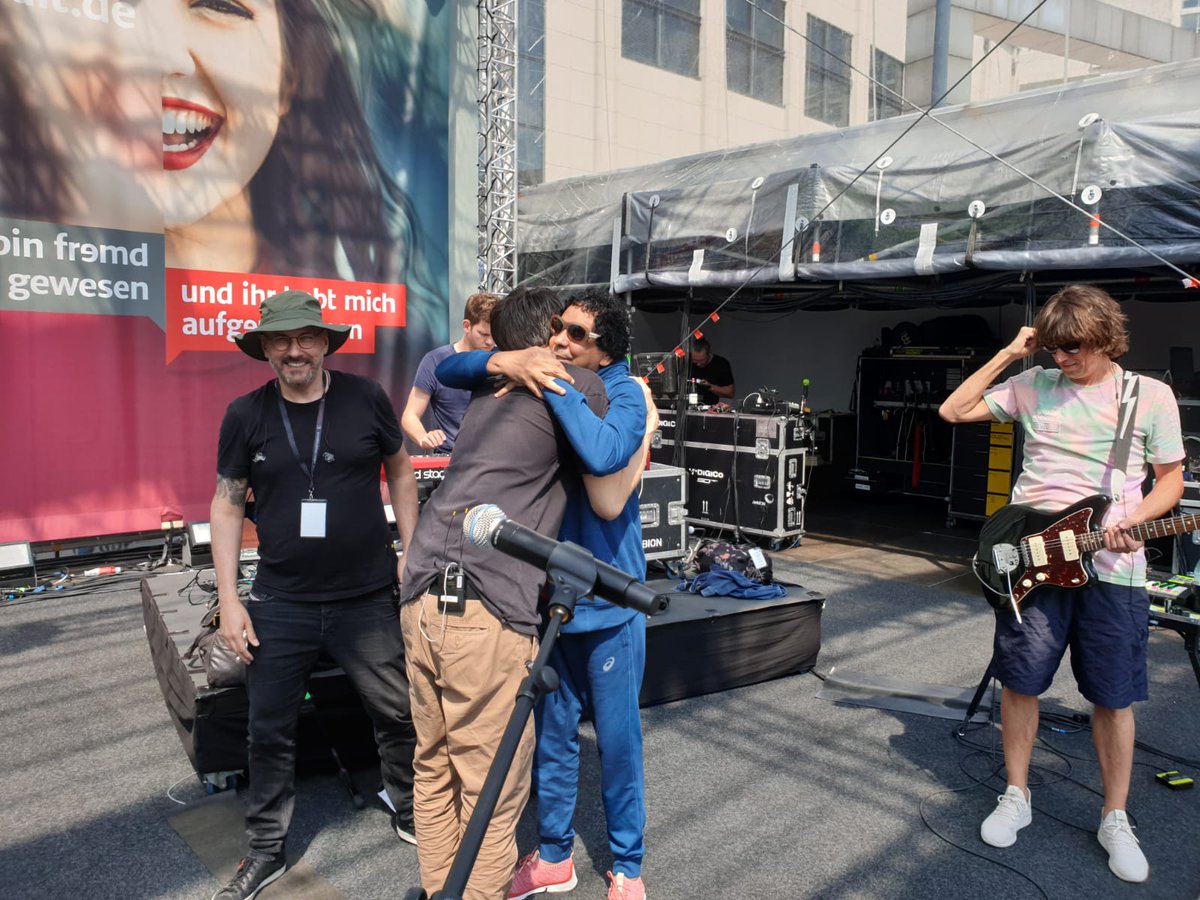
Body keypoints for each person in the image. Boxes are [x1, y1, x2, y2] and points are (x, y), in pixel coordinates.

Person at [938, 284, 1184, 884]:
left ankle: (1115, 817)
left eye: (1073, 348)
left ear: (1106, 338)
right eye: (1053, 347)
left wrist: (1136, 520)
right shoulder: (1034, 382)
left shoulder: (1148, 396)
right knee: (1021, 682)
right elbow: (954, 411)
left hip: (1112, 568)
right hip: (1031, 559)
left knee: (1113, 696)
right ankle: (1016, 793)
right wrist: (1010, 353)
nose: (1062, 358)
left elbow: (1170, 479)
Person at [436, 294, 655, 900]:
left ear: (605, 350)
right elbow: (448, 370)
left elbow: (603, 456)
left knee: (618, 744)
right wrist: (506, 361)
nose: (559, 340)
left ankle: (628, 865)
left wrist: (553, 381)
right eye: (558, 327)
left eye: (577, 334)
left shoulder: (626, 392)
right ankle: (555, 856)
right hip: (548, 597)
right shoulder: (540, 370)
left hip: (609, 602)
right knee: (552, 742)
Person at [399, 285, 612, 900]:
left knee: (434, 769)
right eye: (565, 331)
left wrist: (499, 360)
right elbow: (610, 461)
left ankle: (441, 891)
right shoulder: (572, 384)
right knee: (489, 790)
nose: (571, 342)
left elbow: (450, 366)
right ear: (546, 339)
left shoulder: (483, 384)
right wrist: (644, 413)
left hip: (421, 597)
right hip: (486, 614)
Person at [208, 290, 420, 900]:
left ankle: (411, 808)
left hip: (367, 595)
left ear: (325, 342)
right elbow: (227, 504)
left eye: (305, 338)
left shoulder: (365, 398)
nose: (294, 350)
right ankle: (266, 849)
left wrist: (410, 550)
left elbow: (400, 470)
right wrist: (229, 598)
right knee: (268, 729)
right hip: (282, 600)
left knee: (397, 712)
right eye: (280, 340)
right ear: (265, 348)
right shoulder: (245, 414)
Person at [401, 292, 498, 452]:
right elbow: (410, 415)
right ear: (466, 326)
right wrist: (423, 437)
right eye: (484, 334)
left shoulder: (503, 359)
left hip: (495, 456)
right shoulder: (434, 360)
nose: (490, 342)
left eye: (494, 335)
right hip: (450, 458)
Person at [689, 337, 735, 405]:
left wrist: (710, 386)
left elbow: (730, 393)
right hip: (686, 406)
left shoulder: (721, 363)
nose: (698, 364)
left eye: (701, 360)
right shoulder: (685, 362)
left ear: (708, 354)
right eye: (695, 360)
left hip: (710, 407)